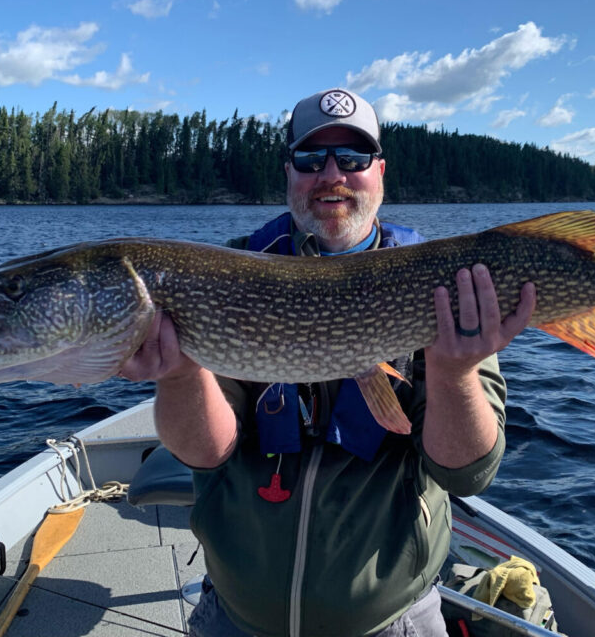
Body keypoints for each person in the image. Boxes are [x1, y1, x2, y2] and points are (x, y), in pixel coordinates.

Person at [121, 88, 536, 637]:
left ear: (380, 172)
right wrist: (178, 375)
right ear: (289, 172)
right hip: (238, 616)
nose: (332, 174)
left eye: (354, 158)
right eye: (311, 159)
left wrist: (455, 373)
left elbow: (466, 473)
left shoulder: (451, 285)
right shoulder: (227, 275)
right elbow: (205, 452)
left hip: (392, 621)